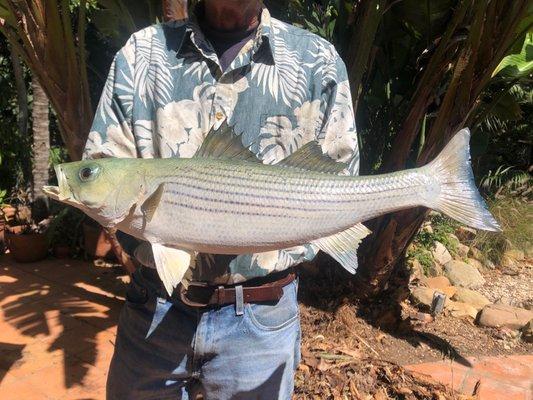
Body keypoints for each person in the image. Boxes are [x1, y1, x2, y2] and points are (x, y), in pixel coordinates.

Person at [84, 0, 359, 398]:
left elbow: (343, 177)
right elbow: (103, 168)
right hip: (154, 312)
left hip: (262, 320)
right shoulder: (140, 54)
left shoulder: (318, 61)